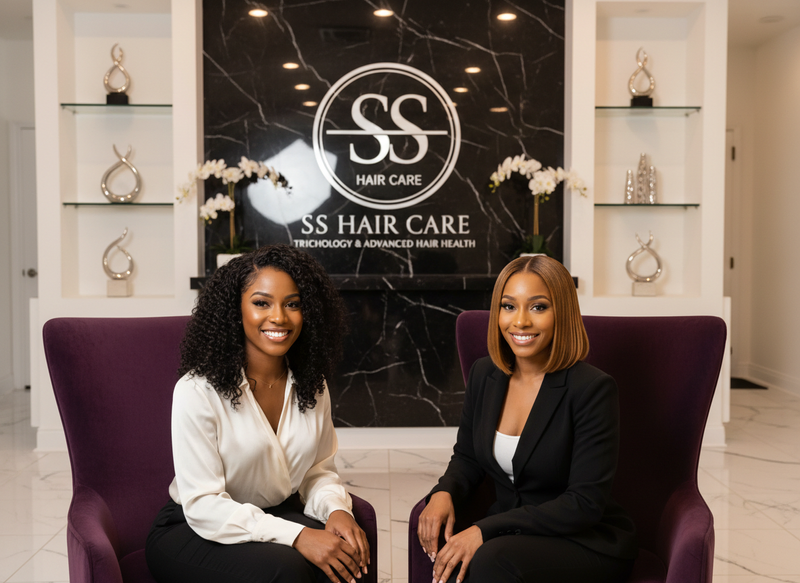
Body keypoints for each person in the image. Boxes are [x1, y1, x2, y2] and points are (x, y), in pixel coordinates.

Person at [146, 244, 370, 583]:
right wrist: (298, 535)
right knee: (288, 570)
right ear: (235, 310)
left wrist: (337, 509)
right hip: (194, 528)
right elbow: (204, 505)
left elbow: (318, 471)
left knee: (347, 556)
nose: (279, 317)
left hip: (275, 515)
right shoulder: (197, 391)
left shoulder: (312, 385)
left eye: (292, 304)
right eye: (261, 303)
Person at [417, 255, 637, 583]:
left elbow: (584, 503)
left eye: (538, 307)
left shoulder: (592, 388)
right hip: (513, 535)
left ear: (562, 313)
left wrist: (484, 529)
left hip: (584, 540)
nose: (520, 321)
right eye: (509, 306)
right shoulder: (484, 374)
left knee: (490, 560)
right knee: (452, 559)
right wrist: (443, 492)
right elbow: (467, 457)